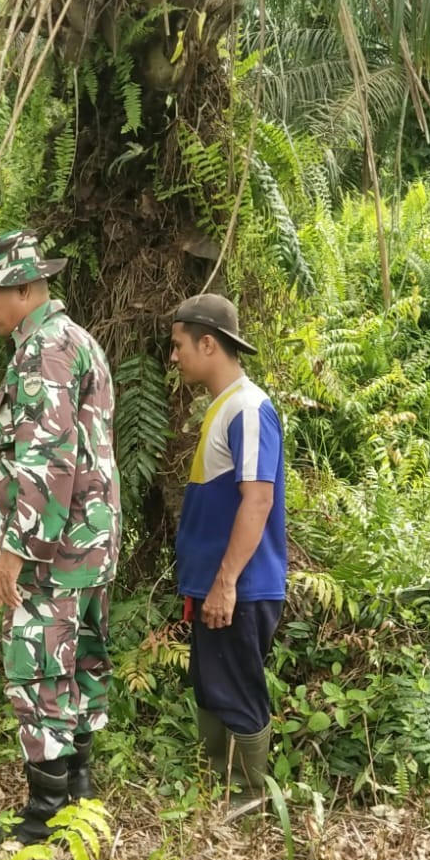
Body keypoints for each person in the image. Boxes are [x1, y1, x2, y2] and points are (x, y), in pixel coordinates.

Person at [0, 229, 121, 846]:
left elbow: (49, 460)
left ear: (25, 289)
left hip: (54, 550)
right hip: (89, 542)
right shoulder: (77, 341)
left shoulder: (45, 351)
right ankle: (76, 794)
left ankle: (44, 818)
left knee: (40, 667)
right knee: (78, 664)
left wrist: (17, 550)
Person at [168, 293, 287, 809]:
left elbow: (258, 499)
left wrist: (225, 582)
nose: (173, 357)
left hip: (239, 587)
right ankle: (219, 787)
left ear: (208, 343)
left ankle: (249, 801)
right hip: (219, 585)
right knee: (213, 685)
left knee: (238, 689)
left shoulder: (249, 407)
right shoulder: (223, 407)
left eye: (179, 346)